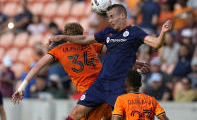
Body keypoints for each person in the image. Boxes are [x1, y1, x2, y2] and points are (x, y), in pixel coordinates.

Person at [47, 4, 172, 120]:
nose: (110, 20)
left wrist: (163, 33)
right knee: (76, 113)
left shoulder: (134, 32)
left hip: (119, 85)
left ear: (122, 15)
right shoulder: (108, 32)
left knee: (119, 117)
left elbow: (156, 43)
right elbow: (85, 38)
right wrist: (64, 37)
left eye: (112, 16)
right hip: (100, 83)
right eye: (108, 17)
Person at [12, 22, 148, 120]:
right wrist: (135, 63)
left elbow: (37, 66)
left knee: (76, 116)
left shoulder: (58, 50)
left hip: (92, 93)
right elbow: (115, 54)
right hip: (106, 87)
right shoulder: (90, 44)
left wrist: (22, 86)